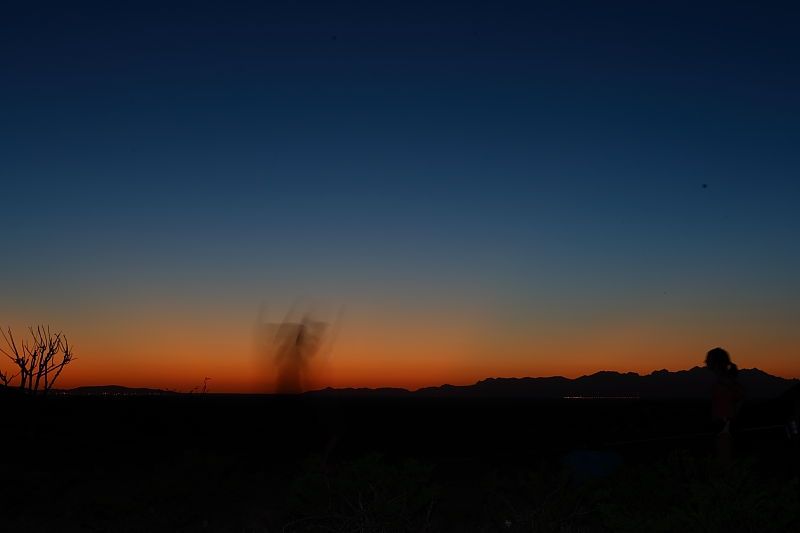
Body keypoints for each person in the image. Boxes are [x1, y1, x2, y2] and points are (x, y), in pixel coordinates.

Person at [705, 347, 745, 468]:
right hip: (723, 427)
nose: (705, 362)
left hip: (724, 428)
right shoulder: (724, 381)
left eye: (708, 360)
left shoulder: (724, 383)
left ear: (716, 363)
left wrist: (727, 424)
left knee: (724, 466)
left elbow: (739, 400)